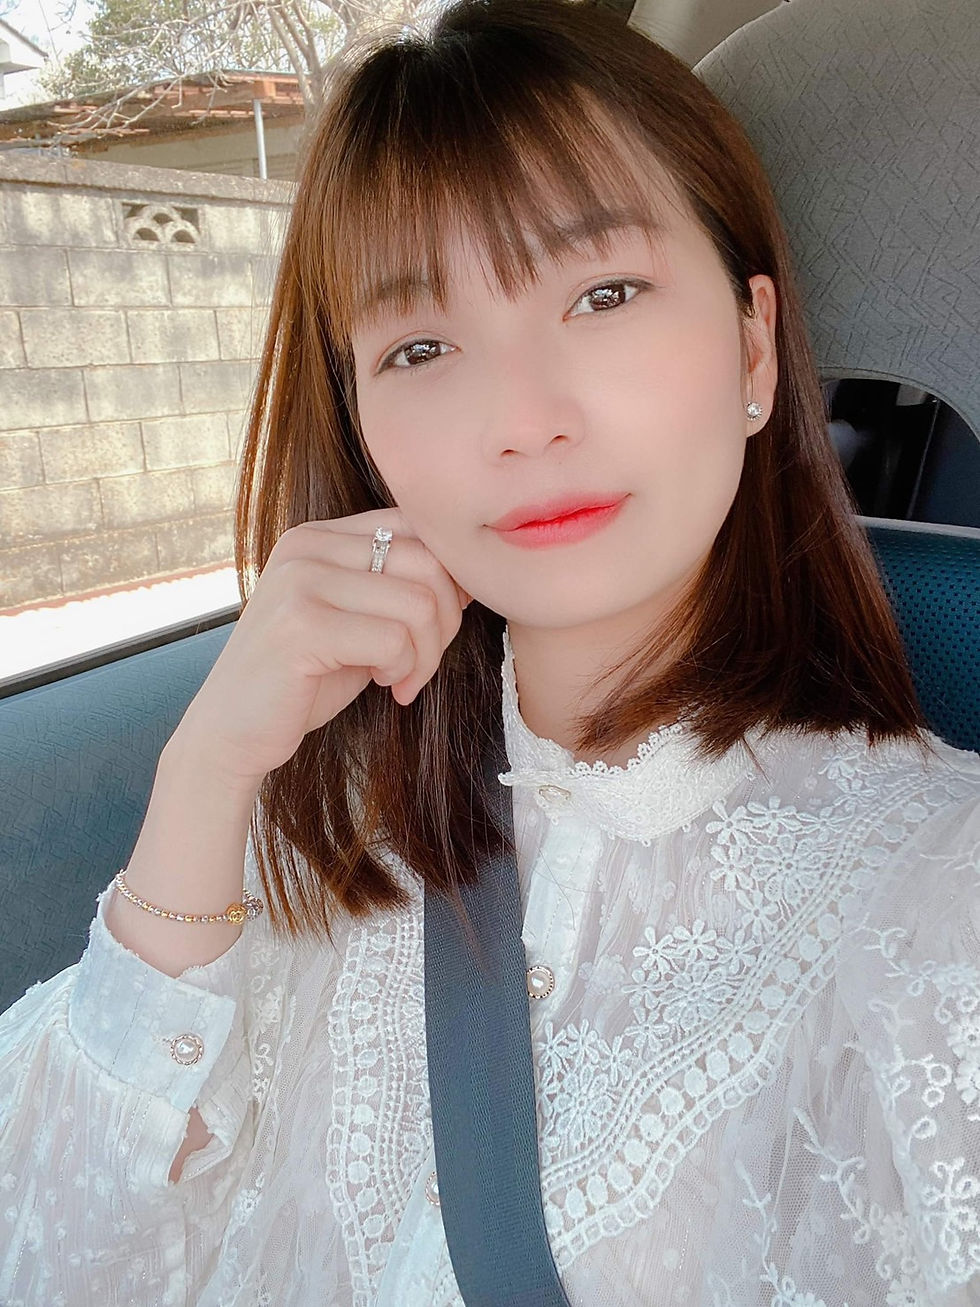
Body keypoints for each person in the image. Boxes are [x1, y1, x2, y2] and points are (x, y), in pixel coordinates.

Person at [2, 0, 979, 1302]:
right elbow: (65, 1260)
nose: (521, 419)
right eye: (422, 346)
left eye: (603, 294)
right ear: (363, 424)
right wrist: (203, 778)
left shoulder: (937, 898)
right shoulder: (308, 837)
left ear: (753, 348)